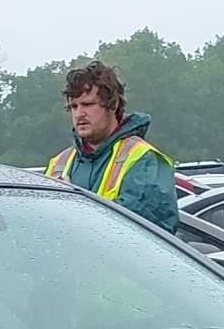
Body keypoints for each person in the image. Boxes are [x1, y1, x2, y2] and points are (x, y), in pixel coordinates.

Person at [46, 60, 178, 233]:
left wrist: (74, 206)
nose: (79, 114)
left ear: (113, 105)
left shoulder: (144, 160)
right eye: (73, 107)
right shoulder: (59, 164)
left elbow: (143, 233)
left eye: (87, 104)